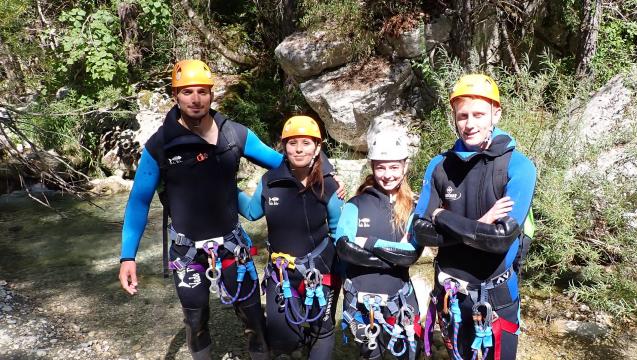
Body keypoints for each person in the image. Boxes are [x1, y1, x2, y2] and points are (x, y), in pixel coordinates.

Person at [118, 60, 345, 360]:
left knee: (252, 317)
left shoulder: (233, 134)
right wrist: (127, 257)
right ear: (175, 96)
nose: (195, 99)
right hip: (187, 252)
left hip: (232, 247)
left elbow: (285, 159)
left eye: (202, 91)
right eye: (187, 92)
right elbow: (138, 201)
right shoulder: (160, 146)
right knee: (195, 319)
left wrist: (326, 175)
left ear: (212, 94)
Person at [412, 74, 536, 360]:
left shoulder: (518, 167)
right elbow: (420, 231)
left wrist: (441, 215)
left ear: (496, 114)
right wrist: (480, 225)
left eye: (478, 114)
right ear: (454, 117)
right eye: (462, 115)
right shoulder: (440, 166)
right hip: (450, 294)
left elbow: (500, 240)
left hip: (495, 296)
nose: (470, 124)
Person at [238, 115, 343, 359]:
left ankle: (311, 341)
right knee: (282, 338)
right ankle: (298, 341)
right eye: (292, 142)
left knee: (322, 330)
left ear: (317, 148)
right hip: (281, 272)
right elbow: (253, 212)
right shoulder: (269, 181)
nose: (298, 149)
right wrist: (225, 188)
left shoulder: (328, 185)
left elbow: (338, 231)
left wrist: (348, 272)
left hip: (320, 270)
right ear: (283, 146)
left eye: (306, 142)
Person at [334, 130, 423, 359]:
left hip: (399, 300)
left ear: (404, 166)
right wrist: (392, 253)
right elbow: (344, 247)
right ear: (372, 167)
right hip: (362, 304)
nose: (387, 174)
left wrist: (367, 242)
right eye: (381, 167)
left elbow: (410, 255)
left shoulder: (414, 208)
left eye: (394, 167)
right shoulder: (355, 205)